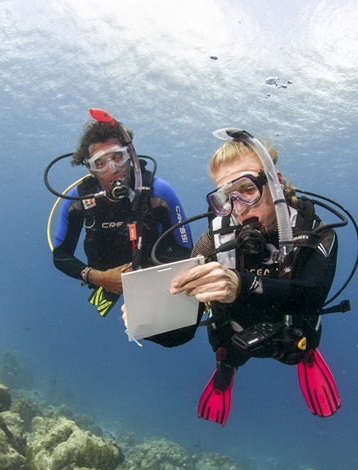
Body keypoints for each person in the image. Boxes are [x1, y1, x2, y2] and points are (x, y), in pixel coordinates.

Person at [139, 131, 343, 425]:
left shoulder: (316, 233)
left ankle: (308, 360)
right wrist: (148, 322)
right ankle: (226, 370)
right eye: (225, 196)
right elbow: (182, 331)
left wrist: (241, 284)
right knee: (227, 352)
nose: (239, 206)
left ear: (276, 182)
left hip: (293, 338)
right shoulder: (212, 241)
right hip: (234, 339)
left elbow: (313, 296)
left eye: (247, 188)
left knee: (301, 345)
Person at [51, 115, 193, 316]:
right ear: (91, 170)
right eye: (100, 163)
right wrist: (96, 277)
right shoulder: (78, 199)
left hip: (150, 274)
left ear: (130, 156)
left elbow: (185, 250)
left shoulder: (158, 192)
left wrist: (139, 277)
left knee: (175, 336)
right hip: (102, 276)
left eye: (117, 157)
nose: (113, 169)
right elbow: (60, 255)